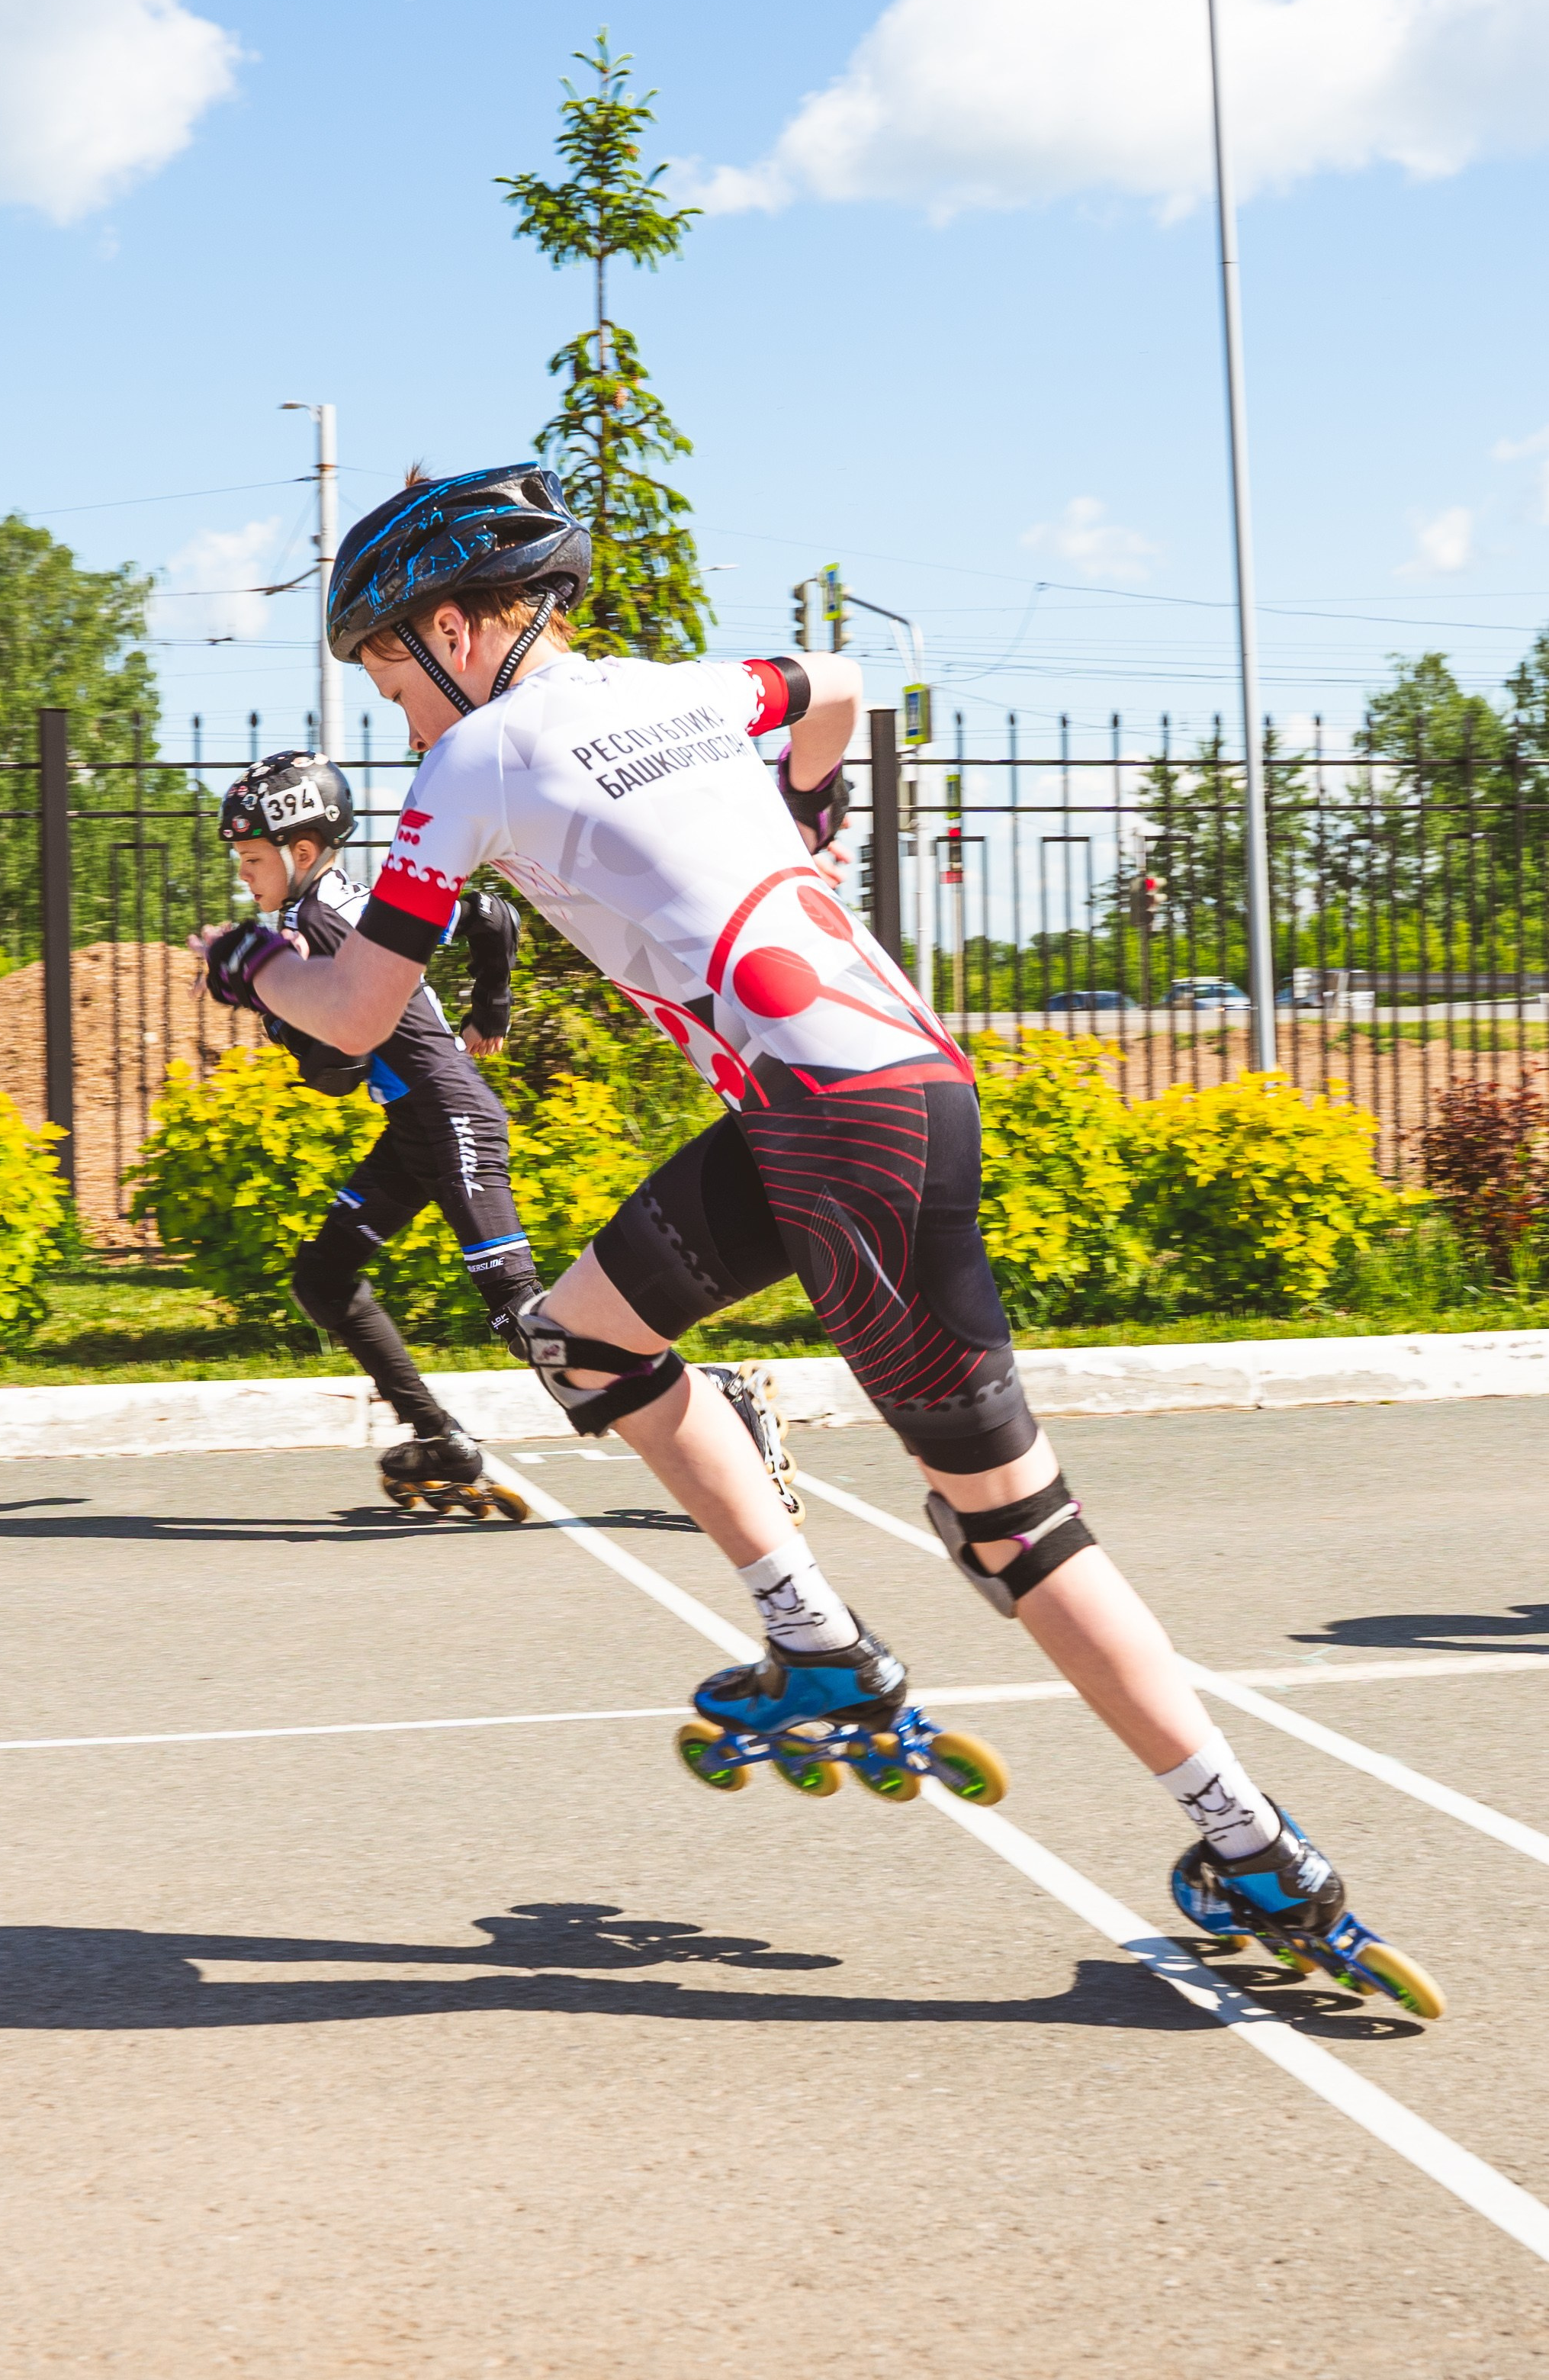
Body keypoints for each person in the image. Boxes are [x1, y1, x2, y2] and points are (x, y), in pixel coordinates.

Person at [234, 465, 1405, 1986]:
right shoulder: (686, 687)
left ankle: (1257, 1854)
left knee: (1008, 1531)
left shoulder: (479, 754)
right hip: (856, 1095)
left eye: (391, 677)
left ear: (455, 631)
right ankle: (815, 1642)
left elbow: (351, 1009)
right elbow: (836, 684)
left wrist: (249, 959)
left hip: (835, 1129)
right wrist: (805, 824)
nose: (399, 720)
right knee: (583, 1339)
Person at [191, 748, 537, 1520]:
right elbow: (492, 915)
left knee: (522, 1316)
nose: (242, 875)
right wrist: (491, 1008)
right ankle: (440, 1440)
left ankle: (719, 1402)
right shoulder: (360, 903)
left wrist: (264, 1000)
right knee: (322, 1278)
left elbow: (337, 1068)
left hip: (449, 1115)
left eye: (252, 858)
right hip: (418, 1124)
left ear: (300, 851)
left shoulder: (316, 922)